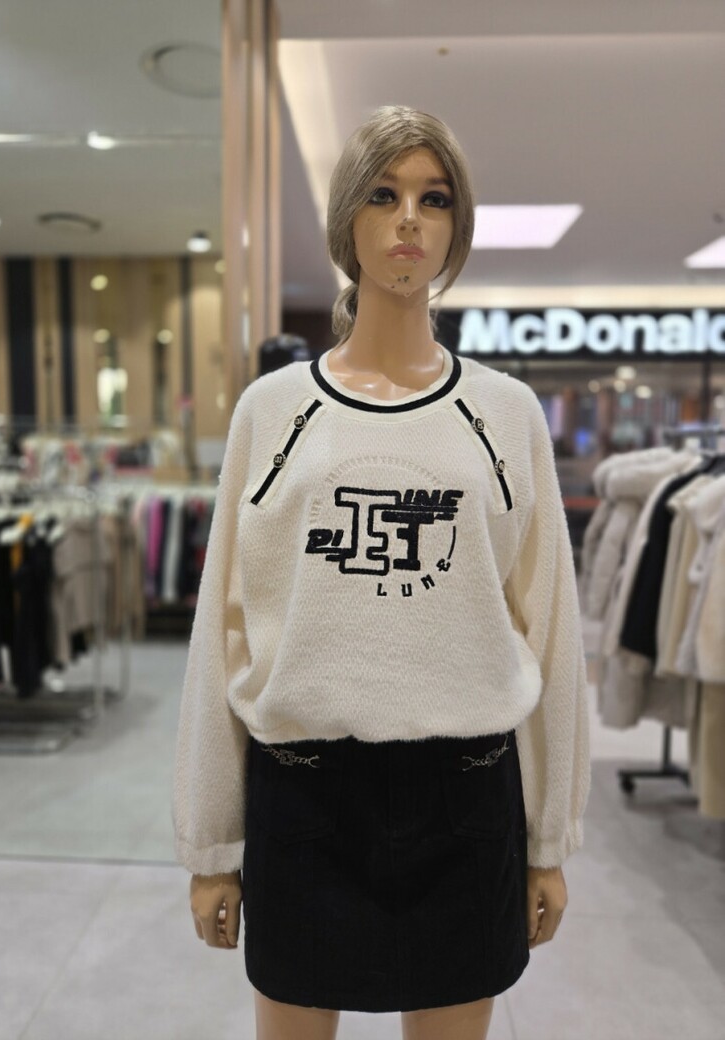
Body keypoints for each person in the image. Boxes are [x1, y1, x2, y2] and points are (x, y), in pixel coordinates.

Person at [173, 105, 591, 1040]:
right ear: (346, 219)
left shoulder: (506, 414)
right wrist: (210, 844)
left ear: (457, 225)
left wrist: (551, 837)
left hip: (466, 795)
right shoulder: (272, 412)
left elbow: (551, 631)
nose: (409, 219)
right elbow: (222, 630)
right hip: (304, 796)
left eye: (434, 199)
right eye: (382, 194)